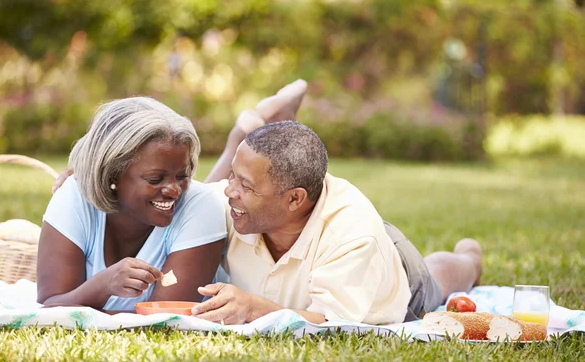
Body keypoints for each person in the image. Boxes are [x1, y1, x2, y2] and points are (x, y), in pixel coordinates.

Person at [189, 116, 482, 325]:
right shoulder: (232, 204)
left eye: (246, 186)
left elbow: (330, 325)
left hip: (391, 271)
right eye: (232, 175)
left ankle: (470, 258)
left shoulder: (353, 234)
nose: (230, 190)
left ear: (294, 199)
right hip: (341, 247)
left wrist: (253, 308)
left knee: (439, 279)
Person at [38, 97, 227, 312]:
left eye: (182, 176)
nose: (174, 190)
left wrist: (79, 306)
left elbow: (165, 320)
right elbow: (49, 308)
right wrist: (104, 284)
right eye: (155, 179)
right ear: (113, 174)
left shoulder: (201, 207)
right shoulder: (74, 197)